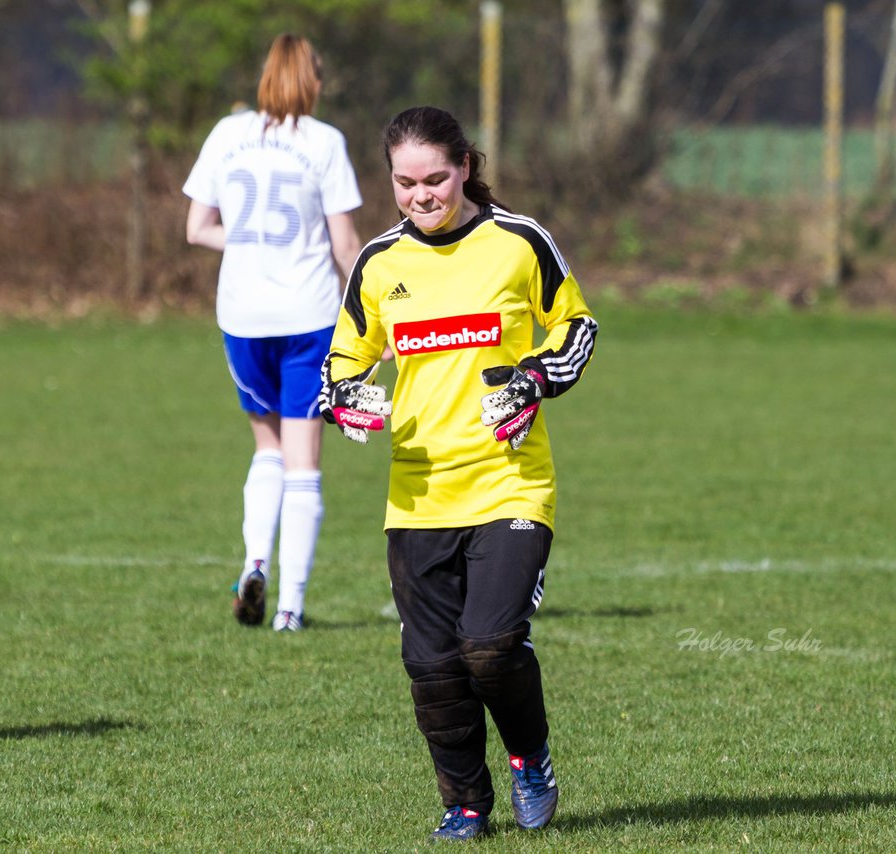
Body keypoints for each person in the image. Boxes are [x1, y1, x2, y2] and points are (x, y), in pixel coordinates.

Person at [318, 106, 598, 840]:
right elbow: (344, 356)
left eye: (435, 178)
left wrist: (537, 376)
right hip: (417, 495)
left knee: (491, 644)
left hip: (509, 483)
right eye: (405, 182)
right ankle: (466, 804)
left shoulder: (517, 242)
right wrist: (343, 396)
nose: (420, 195)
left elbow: (576, 324)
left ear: (465, 168)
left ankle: (530, 757)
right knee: (433, 665)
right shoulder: (378, 264)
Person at [183, 34, 363, 632]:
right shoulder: (326, 143)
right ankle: (290, 607)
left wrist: (251, 240)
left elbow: (196, 228)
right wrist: (375, 306)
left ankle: (254, 561)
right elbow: (343, 246)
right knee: (303, 463)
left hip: (243, 316)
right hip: (309, 316)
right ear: (313, 79)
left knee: (266, 447)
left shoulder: (225, 135)